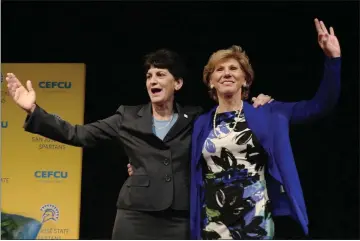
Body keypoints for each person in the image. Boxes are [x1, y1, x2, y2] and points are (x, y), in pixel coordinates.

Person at [5, 49, 272, 239]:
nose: (153, 80)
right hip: (135, 216)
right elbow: (78, 134)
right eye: (149, 76)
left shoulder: (197, 118)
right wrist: (34, 111)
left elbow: (227, 132)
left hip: (180, 218)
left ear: (177, 83)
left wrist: (257, 104)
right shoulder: (127, 116)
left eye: (160, 74)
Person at [189, 18, 341, 240]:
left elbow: (320, 106)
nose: (227, 73)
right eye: (219, 69)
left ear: (245, 79)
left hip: (255, 223)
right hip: (213, 224)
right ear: (211, 81)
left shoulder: (268, 113)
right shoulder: (201, 123)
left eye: (234, 68)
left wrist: (333, 60)